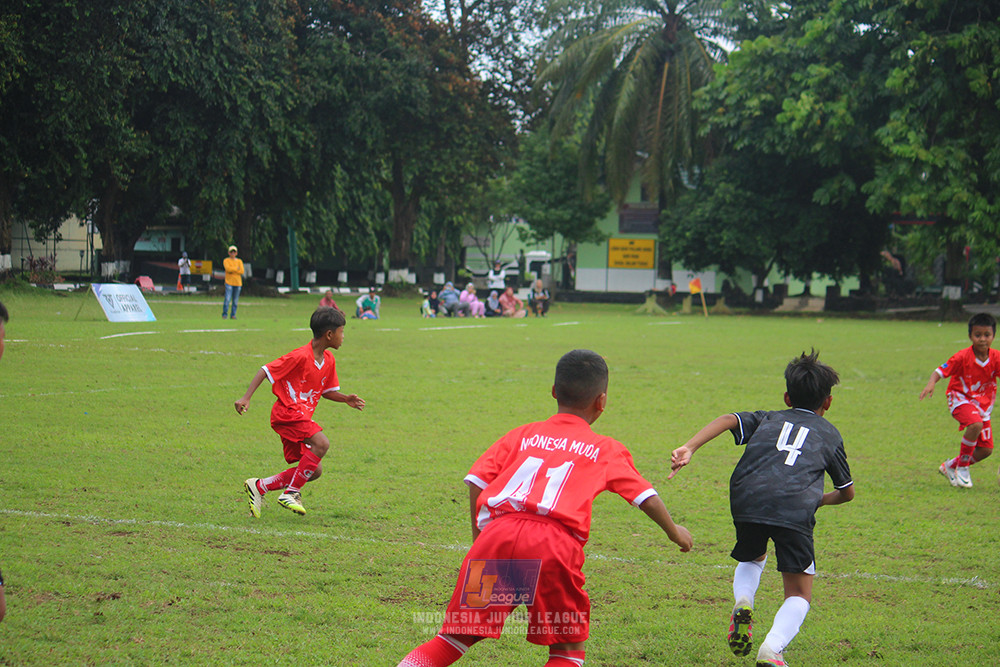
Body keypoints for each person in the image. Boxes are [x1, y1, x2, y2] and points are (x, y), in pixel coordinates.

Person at [396, 349, 692, 667]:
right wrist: (675, 532)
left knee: (452, 639)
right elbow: (645, 497)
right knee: (567, 651)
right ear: (602, 401)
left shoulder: (522, 434)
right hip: (552, 546)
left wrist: (480, 539)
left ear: (553, 392)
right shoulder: (606, 448)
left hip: (496, 538)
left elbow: (477, 480)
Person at [669, 350, 854, 667]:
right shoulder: (830, 434)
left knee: (753, 556)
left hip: (747, 497)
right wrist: (817, 499)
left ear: (787, 397)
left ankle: (744, 599)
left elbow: (729, 419)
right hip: (795, 507)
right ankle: (772, 649)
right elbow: (846, 492)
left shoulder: (770, 418)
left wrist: (690, 446)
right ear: (829, 401)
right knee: (799, 593)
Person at [236, 307, 365, 517]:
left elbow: (325, 391)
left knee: (314, 471)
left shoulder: (328, 360)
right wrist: (246, 397)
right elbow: (266, 370)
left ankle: (259, 486)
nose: (343, 337)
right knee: (322, 443)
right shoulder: (300, 356)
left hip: (299, 417)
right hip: (287, 413)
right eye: (342, 332)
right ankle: (291, 492)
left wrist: (345, 399)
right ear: (329, 334)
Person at [919, 312, 999, 488]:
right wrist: (931, 383)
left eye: (987, 335)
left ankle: (950, 466)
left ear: (993, 336)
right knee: (975, 425)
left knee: (986, 450)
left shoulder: (996, 358)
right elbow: (939, 371)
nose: (982, 339)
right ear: (970, 336)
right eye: (978, 335)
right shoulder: (962, 357)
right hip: (959, 398)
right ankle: (962, 467)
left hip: (982, 406)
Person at [222, 245, 244, 319]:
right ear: (229, 253)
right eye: (231, 252)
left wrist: (233, 270)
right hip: (229, 283)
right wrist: (236, 269)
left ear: (236, 253)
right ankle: (225, 314)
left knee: (235, 300)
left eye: (234, 252)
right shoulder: (226, 260)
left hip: (238, 283)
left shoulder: (239, 261)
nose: (233, 253)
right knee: (227, 299)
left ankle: (233, 315)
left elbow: (242, 271)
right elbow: (228, 269)